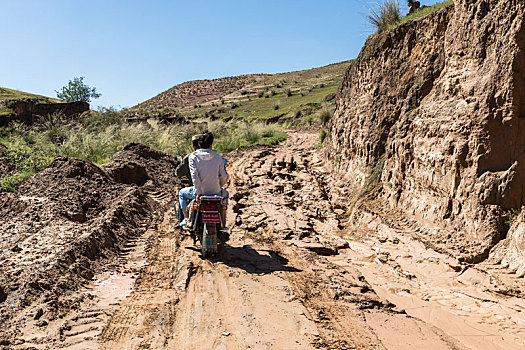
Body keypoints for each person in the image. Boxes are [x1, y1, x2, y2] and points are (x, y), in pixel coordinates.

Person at [178, 132, 229, 228]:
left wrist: (198, 193)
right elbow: (223, 176)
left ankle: (186, 219)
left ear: (198, 144)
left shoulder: (193, 157)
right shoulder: (217, 157)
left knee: (181, 193)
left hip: (199, 193)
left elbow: (195, 176)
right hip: (216, 192)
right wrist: (219, 187)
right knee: (226, 194)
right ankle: (223, 220)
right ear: (211, 145)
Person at [173, 135, 201, 227]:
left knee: (181, 193)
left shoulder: (190, 157)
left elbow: (179, 173)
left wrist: (179, 164)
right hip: (213, 189)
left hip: (196, 189)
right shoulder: (214, 156)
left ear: (194, 146)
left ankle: (184, 219)